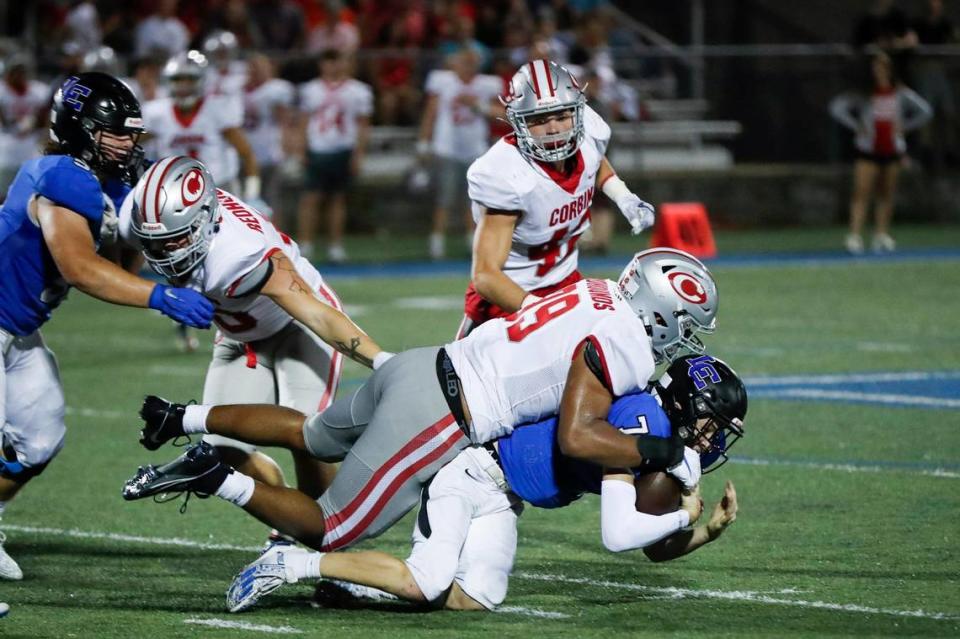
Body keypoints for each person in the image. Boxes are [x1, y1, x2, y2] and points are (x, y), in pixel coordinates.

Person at [122, 248, 719, 560]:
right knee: (331, 529)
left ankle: (181, 416)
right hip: (444, 414)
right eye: (685, 324)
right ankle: (217, 474)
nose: (683, 338)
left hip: (422, 364)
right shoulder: (629, 347)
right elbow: (577, 437)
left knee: (313, 435)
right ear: (664, 316)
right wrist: (664, 449)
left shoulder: (596, 291)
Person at [224, 355, 747, 613]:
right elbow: (617, 534)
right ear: (683, 402)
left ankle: (354, 585)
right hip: (474, 470)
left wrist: (707, 532)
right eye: (709, 424)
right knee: (428, 580)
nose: (710, 438)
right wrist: (683, 515)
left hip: (505, 494)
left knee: (475, 596)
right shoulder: (641, 423)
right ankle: (290, 564)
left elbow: (651, 548)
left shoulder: (655, 431)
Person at [0, 73, 215, 580]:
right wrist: (162, 298)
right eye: (113, 131)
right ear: (78, 128)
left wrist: (140, 223)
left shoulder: (107, 183)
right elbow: (78, 267)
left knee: (39, 438)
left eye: (131, 132)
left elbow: (123, 267)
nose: (127, 142)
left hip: (19, 328)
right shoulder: (58, 173)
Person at [119, 155, 391, 503]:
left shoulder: (240, 252)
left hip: (296, 328)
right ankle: (291, 525)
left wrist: (382, 361)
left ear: (205, 219)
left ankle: (322, 535)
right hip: (238, 336)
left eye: (177, 239)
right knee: (222, 451)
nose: (165, 252)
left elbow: (316, 315)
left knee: (308, 438)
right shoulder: (141, 217)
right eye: (156, 242)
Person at [457, 59, 655, 339]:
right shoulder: (507, 174)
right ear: (518, 122)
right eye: (539, 120)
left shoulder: (589, 131)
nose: (554, 129)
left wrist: (623, 196)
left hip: (566, 284)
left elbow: (594, 161)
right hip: (510, 302)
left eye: (562, 116)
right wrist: (542, 313)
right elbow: (486, 276)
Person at [143, 50, 261, 351]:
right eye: (177, 79)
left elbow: (246, 153)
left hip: (216, 194)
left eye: (188, 79)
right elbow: (132, 145)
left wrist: (253, 193)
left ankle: (242, 320)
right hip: (174, 202)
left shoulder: (217, 109)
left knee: (233, 258)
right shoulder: (156, 112)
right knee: (181, 265)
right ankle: (185, 319)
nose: (182, 85)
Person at [829, 51, 931, 255]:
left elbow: (925, 110)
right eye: (876, 67)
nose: (880, 71)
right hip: (868, 148)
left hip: (891, 148)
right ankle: (855, 235)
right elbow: (837, 108)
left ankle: (881, 234)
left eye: (884, 67)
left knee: (886, 192)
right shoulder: (864, 92)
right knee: (861, 191)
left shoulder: (899, 93)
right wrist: (857, 125)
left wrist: (905, 127)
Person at [417, 49, 503, 260]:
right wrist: (423, 143)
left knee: (475, 200)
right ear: (455, 64)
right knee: (443, 199)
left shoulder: (486, 85)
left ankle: (473, 242)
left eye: (472, 63)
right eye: (465, 62)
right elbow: (431, 112)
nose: (468, 67)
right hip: (447, 148)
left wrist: (478, 105)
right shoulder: (444, 82)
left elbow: (502, 113)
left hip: (476, 150)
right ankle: (436, 242)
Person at [294, 49, 372, 263]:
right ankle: (306, 243)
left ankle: (335, 245)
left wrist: (359, 153)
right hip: (317, 147)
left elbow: (363, 125)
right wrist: (301, 148)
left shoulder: (358, 91)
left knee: (337, 199)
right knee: (310, 198)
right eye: (328, 61)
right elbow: (303, 120)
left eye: (337, 61)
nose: (333, 66)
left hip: (342, 147)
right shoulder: (310, 90)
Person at [0, 55, 48, 201]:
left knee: (32, 188)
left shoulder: (38, 90)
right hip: (6, 143)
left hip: (30, 143)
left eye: (22, 72)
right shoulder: (2, 92)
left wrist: (34, 122)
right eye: (16, 72)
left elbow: (43, 117)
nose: (19, 76)